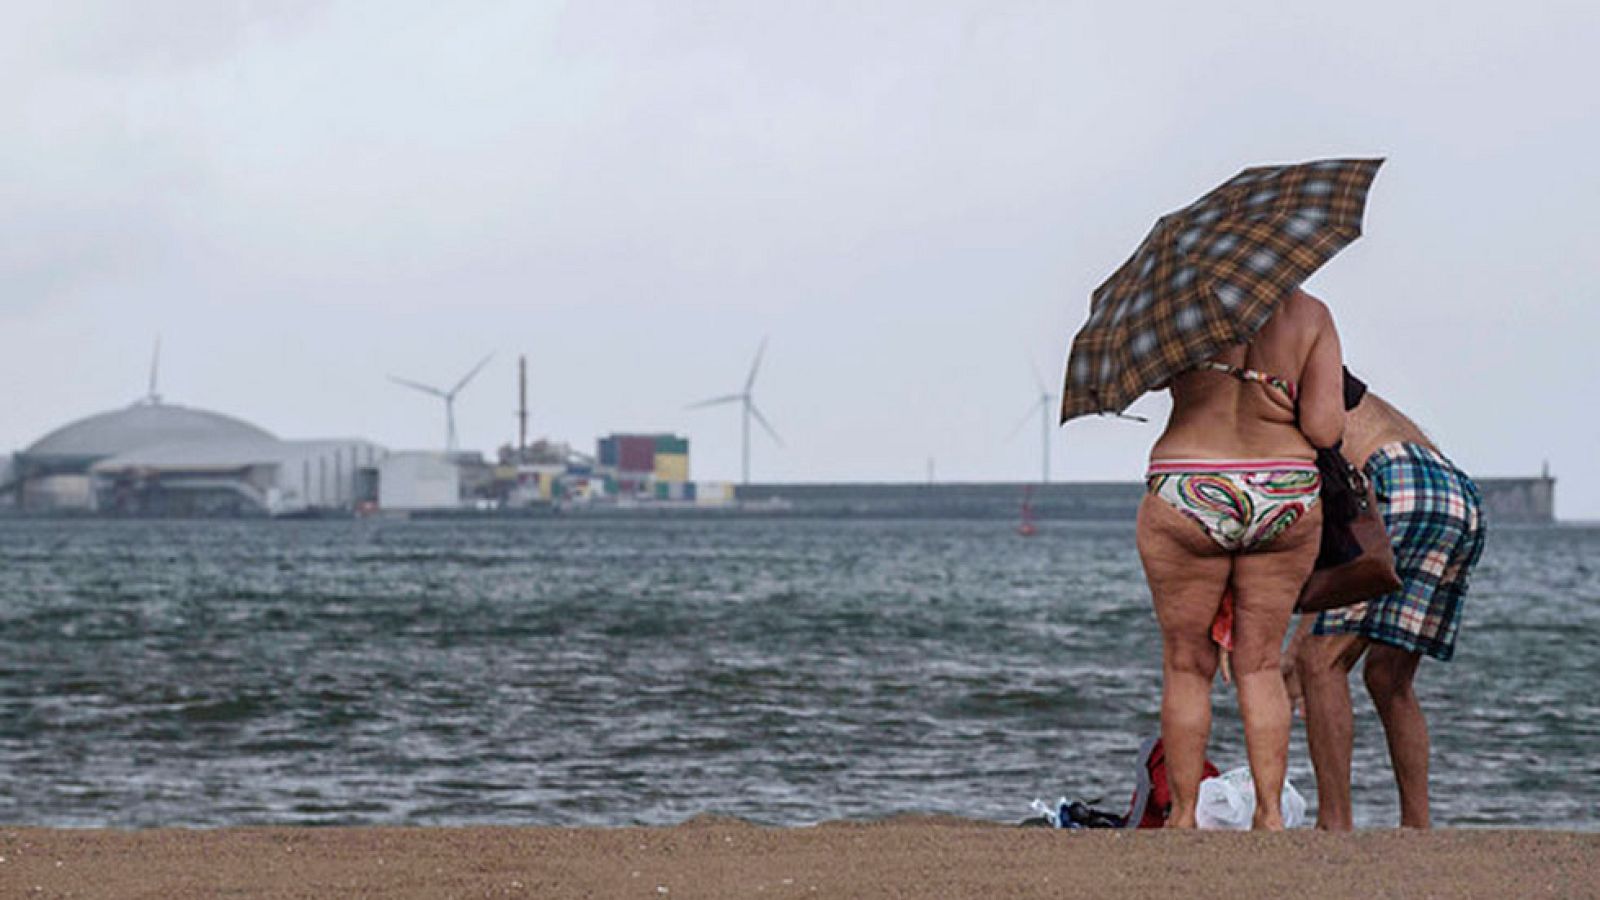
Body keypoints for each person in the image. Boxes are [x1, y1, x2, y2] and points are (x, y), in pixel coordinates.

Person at [1136, 287, 1345, 829]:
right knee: (1259, 663)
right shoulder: (1312, 315)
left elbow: (1150, 377)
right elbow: (1325, 429)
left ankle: (1183, 817)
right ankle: (1270, 816)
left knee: (1187, 664)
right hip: (1283, 487)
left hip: (1190, 481)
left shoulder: (1182, 305)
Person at [1285, 375, 1486, 830]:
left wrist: (1297, 649)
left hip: (1395, 476)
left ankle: (1334, 823)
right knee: (1389, 678)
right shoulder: (1342, 383)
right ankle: (1417, 826)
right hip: (1456, 490)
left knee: (1321, 661)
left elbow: (1330, 519)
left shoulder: (1288, 387)